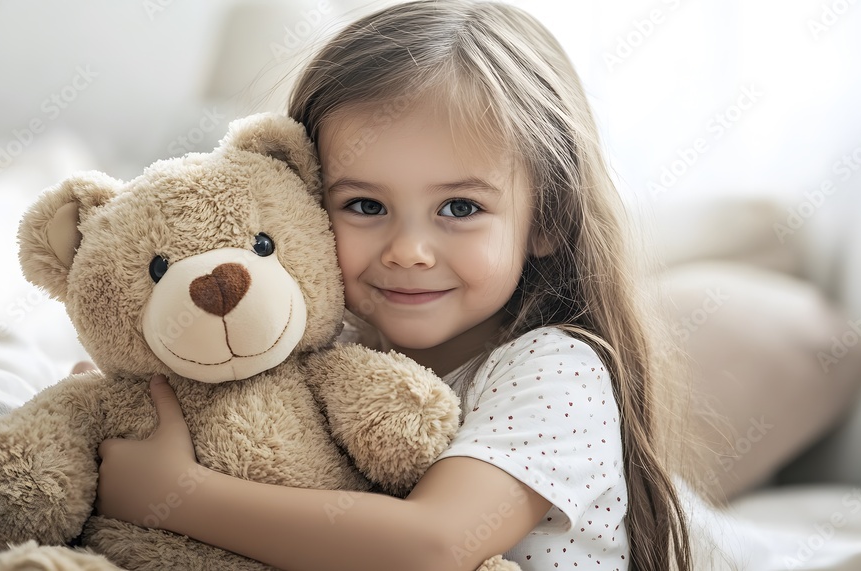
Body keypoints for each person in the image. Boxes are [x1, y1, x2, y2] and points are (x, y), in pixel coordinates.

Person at [93, 1, 693, 569]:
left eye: (459, 207)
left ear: (549, 219)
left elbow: (433, 549)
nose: (407, 251)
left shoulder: (554, 369)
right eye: (363, 204)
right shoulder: (330, 351)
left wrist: (177, 495)